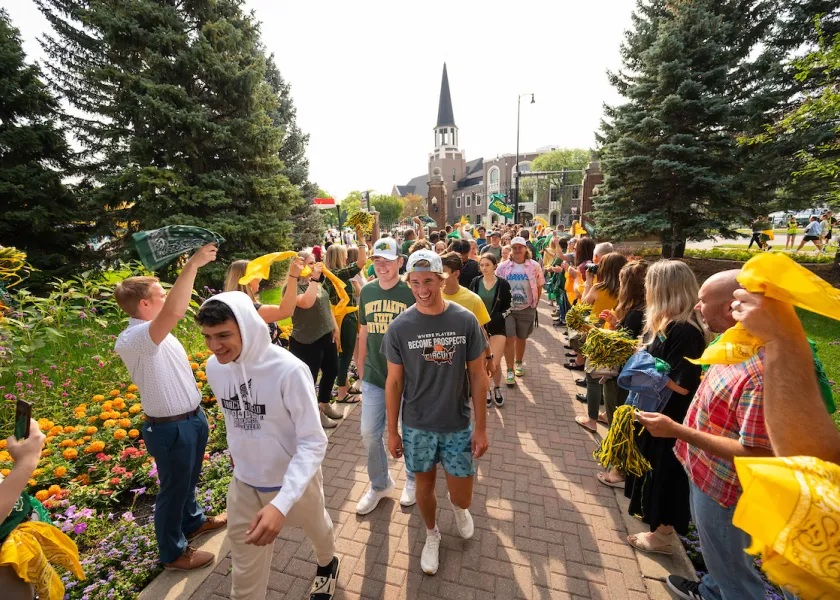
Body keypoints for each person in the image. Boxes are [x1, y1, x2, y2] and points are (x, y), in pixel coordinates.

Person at [634, 271, 775, 600]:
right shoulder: (734, 346)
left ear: (731, 307)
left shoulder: (760, 371)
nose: (696, 306)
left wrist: (677, 430)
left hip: (725, 491)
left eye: (704, 301)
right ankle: (711, 589)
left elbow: (756, 452)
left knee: (735, 575)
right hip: (705, 476)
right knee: (719, 564)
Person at [196, 294, 340, 600]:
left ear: (247, 328)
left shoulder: (288, 370)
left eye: (223, 335)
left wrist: (281, 502)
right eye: (207, 337)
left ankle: (328, 564)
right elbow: (234, 420)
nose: (214, 346)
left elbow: (313, 441)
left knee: (318, 529)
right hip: (245, 483)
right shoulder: (215, 367)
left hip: (295, 480)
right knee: (244, 571)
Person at [114, 244, 227, 571]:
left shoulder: (155, 333)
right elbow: (175, 310)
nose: (167, 299)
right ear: (145, 304)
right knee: (173, 491)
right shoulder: (135, 339)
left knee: (187, 481)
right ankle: (173, 553)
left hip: (190, 420)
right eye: (160, 294)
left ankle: (193, 522)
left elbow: (174, 310)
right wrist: (192, 263)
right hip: (169, 428)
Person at [383, 250, 490, 575]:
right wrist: (392, 430)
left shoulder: (464, 320)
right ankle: (432, 534)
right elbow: (394, 382)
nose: (422, 289)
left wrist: (481, 428)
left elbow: (477, 376)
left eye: (428, 281)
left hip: (457, 424)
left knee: (463, 496)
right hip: (417, 426)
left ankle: (458, 511)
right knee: (424, 489)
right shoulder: (400, 327)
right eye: (415, 282)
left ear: (442, 279)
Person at [624, 260, 707, 556]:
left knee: (666, 475)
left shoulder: (685, 331)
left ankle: (663, 534)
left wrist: (645, 366)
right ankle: (657, 529)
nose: (646, 288)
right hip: (658, 414)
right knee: (654, 472)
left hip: (671, 418)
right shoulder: (667, 323)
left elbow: (683, 384)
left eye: (650, 283)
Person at [356, 238, 418, 513]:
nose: (381, 266)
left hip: (410, 378)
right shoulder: (367, 291)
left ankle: (414, 479)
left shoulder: (411, 292)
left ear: (400, 262)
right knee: (369, 433)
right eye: (377, 260)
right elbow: (364, 331)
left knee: (410, 432)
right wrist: (359, 365)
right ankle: (380, 484)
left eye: (387, 260)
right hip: (375, 375)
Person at [595, 260, 648, 488]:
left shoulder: (636, 313)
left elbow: (625, 345)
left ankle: (619, 470)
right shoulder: (638, 309)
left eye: (622, 281)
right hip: (625, 373)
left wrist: (607, 335)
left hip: (622, 376)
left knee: (619, 419)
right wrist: (615, 324)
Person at [286, 251, 344, 429]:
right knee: (309, 380)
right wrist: (315, 280)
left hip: (326, 335)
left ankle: (324, 404)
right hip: (306, 340)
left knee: (332, 369)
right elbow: (306, 303)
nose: (315, 266)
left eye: (314, 262)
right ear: (299, 266)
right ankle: (315, 415)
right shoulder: (293, 287)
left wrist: (334, 326)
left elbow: (325, 305)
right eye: (310, 263)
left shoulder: (316, 284)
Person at [574, 252, 628, 432]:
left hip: (597, 334)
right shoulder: (627, 292)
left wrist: (588, 280)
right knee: (610, 378)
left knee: (592, 377)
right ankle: (608, 415)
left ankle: (592, 420)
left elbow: (583, 305)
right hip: (617, 336)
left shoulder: (599, 287)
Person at [323, 234, 367, 403]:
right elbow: (361, 262)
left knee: (343, 354)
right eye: (344, 254)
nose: (347, 257)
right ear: (339, 257)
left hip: (339, 317)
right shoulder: (338, 274)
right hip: (344, 318)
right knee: (345, 355)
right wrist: (361, 240)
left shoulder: (328, 275)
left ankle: (346, 384)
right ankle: (342, 393)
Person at [496, 236, 545, 386]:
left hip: (527, 307)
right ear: (511, 249)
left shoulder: (534, 266)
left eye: (520, 247)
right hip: (508, 309)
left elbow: (539, 285)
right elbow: (496, 286)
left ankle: (519, 363)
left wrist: (534, 304)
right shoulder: (503, 267)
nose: (517, 250)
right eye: (514, 247)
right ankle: (510, 370)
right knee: (509, 339)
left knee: (521, 337)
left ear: (525, 249)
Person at [224, 257, 305, 345]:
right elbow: (286, 311)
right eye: (256, 272)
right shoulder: (247, 308)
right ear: (248, 279)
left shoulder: (238, 303)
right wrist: (293, 276)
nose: (260, 277)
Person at [469, 252, 512, 407]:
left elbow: (509, 306)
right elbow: (470, 303)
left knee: (494, 360)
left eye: (487, 265)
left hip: (497, 328)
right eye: (482, 265)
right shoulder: (475, 282)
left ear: (495, 266)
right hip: (479, 328)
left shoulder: (503, 284)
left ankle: (497, 388)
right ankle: (487, 390)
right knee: (481, 362)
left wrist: (500, 316)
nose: (484, 268)